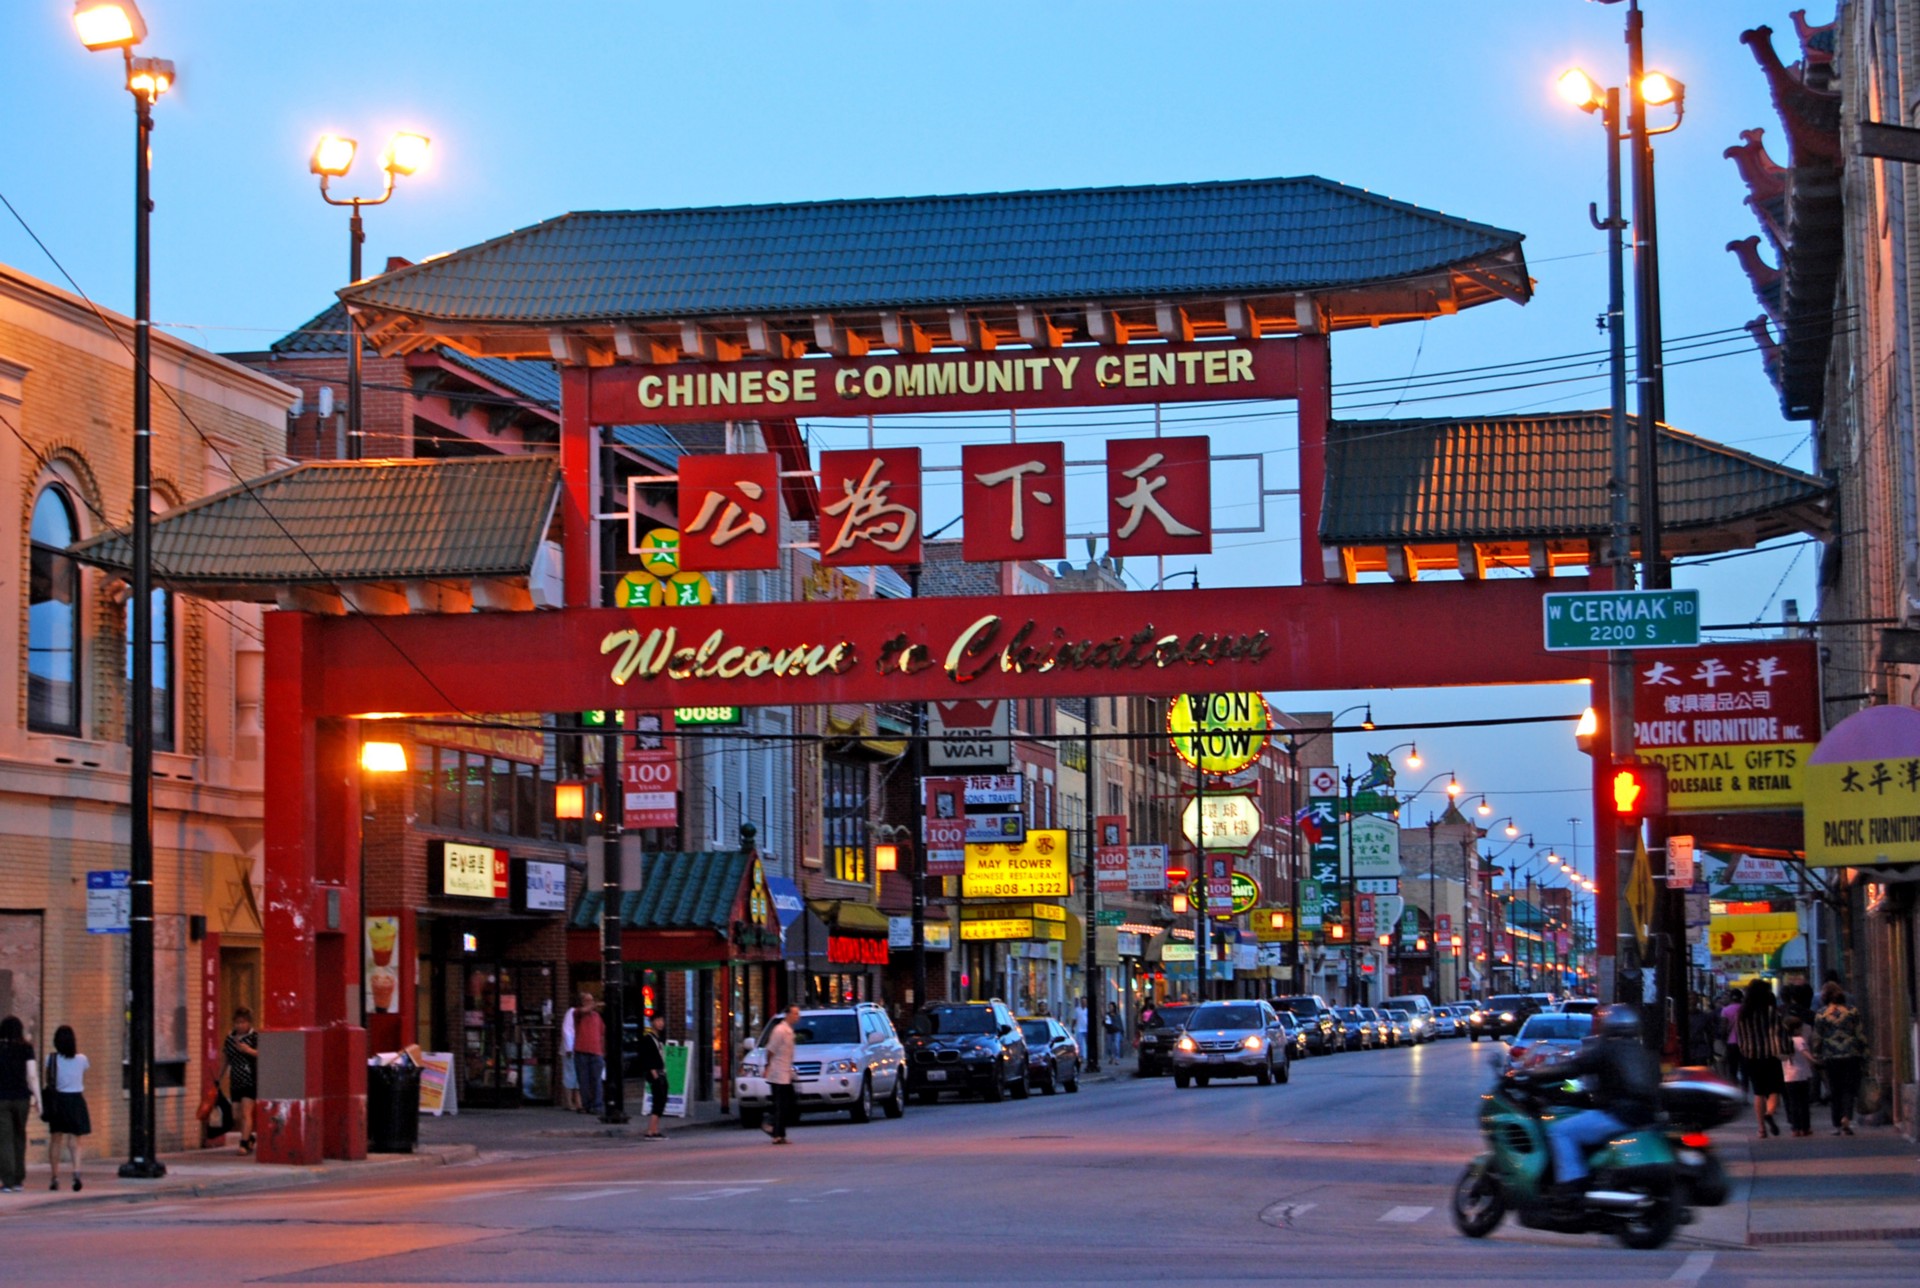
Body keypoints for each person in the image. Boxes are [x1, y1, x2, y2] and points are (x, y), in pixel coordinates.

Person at [1540, 1004, 1662, 1197]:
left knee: (1560, 1131)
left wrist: (1539, 1072)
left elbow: (1575, 1067)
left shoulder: (1607, 1049)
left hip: (1619, 1114)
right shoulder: (1644, 1051)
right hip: (1647, 1115)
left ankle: (1571, 1184)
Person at [1814, 981, 1868, 1135]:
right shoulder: (1852, 1011)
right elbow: (1860, 1034)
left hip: (1831, 1056)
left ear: (1824, 996)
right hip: (1851, 1054)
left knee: (1835, 1090)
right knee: (1849, 1089)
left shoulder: (1821, 1013)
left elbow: (1818, 1037)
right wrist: (1865, 1052)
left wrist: (1817, 1054)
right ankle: (1847, 1117)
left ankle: (1837, 1124)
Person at [42, 1026, 91, 1191]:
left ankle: (54, 1177)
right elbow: (83, 1074)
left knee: (56, 1139)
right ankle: (76, 1173)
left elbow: (48, 1079)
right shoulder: (82, 1059)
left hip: (58, 1101)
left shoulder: (51, 1059)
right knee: (75, 1141)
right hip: (76, 1100)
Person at [1736, 979, 1786, 1138]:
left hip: (1751, 1056)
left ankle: (1761, 1129)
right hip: (1771, 1054)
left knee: (1758, 1092)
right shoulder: (1771, 1011)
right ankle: (1770, 1112)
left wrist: (1744, 1050)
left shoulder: (1742, 1013)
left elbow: (1740, 1035)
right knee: (1773, 1090)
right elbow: (1779, 1032)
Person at [0, 1016, 40, 1193]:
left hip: (2, 1098)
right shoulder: (26, 1048)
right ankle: (18, 1179)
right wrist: (39, 1099)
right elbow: (32, 1076)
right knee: (19, 1136)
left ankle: (7, 1180)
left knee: (5, 1139)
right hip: (22, 1098)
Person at [211, 1007, 259, 1154]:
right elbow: (225, 1060)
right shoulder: (230, 1038)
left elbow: (264, 1054)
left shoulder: (254, 1037)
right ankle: (249, 1137)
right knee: (235, 1115)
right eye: (237, 1023)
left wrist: (248, 1050)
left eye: (243, 1022)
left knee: (246, 1113)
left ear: (249, 1023)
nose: (239, 1026)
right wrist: (218, 1077)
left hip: (250, 1078)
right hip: (235, 1079)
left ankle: (243, 1144)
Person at [764, 1005, 798, 1144]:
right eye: (795, 1013)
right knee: (780, 1103)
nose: (797, 1016)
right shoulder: (779, 1030)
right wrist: (768, 1066)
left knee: (787, 1103)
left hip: (785, 1071)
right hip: (778, 1072)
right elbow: (771, 1049)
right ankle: (773, 1129)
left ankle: (779, 1132)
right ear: (787, 1014)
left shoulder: (789, 1030)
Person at [636, 1013, 669, 1140]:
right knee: (658, 1100)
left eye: (662, 1020)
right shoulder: (648, 1039)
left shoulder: (659, 1038)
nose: (661, 1023)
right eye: (658, 1020)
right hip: (655, 1073)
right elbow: (647, 1057)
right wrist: (654, 1073)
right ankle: (650, 1131)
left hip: (661, 1071)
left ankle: (655, 1129)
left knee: (662, 1099)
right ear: (652, 1022)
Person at [1781, 1013, 1815, 1137]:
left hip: (1788, 1076)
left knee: (1793, 1103)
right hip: (1802, 1074)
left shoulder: (1783, 1041)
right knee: (1804, 1103)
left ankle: (1795, 1128)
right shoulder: (1799, 1040)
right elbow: (1805, 1053)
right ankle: (1805, 1127)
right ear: (1796, 1029)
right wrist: (1815, 1061)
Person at [573, 993, 606, 1117]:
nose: (590, 1002)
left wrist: (603, 1051)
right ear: (582, 1002)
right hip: (581, 1052)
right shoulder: (577, 1013)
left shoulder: (597, 1016)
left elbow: (602, 1034)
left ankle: (597, 1105)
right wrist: (596, 1004)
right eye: (587, 1000)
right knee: (584, 1081)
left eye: (591, 1000)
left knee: (596, 1080)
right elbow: (583, 1010)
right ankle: (587, 1105)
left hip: (596, 1052)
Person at [1718, 988, 1745, 1091]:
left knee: (1732, 1069)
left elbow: (1723, 1028)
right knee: (1744, 1069)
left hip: (1731, 1043)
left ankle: (1734, 1090)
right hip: (1745, 1043)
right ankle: (1745, 1091)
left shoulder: (1725, 1010)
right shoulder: (1745, 1008)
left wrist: (1722, 1039)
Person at [559, 997, 580, 1113]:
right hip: (571, 1049)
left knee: (575, 1075)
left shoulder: (577, 1013)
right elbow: (567, 1030)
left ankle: (576, 1101)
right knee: (570, 1074)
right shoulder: (572, 1012)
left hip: (577, 1048)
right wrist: (569, 1047)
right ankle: (568, 1101)